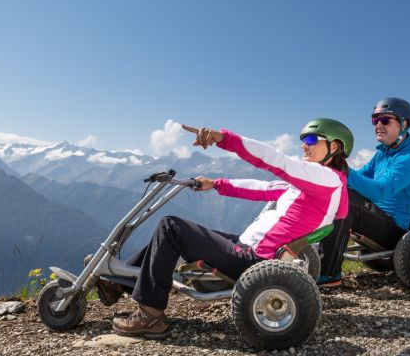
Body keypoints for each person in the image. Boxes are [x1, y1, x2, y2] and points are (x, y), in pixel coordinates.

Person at [111, 118, 354, 338]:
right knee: (173, 234)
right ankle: (122, 280)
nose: (304, 145)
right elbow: (262, 189)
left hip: (253, 259)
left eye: (311, 139)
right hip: (247, 247)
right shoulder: (315, 184)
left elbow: (277, 161)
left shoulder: (326, 178)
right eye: (302, 140)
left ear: (334, 147)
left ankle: (151, 315)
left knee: (171, 227)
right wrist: (217, 184)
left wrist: (224, 139)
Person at [318, 97, 410, 286]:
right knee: (336, 193)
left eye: (385, 120)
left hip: (394, 229)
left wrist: (343, 170)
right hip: (378, 218)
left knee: (347, 200)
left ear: (404, 124)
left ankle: (328, 275)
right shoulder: (382, 154)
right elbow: (356, 179)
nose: (378, 125)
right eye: (375, 120)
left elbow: (380, 192)